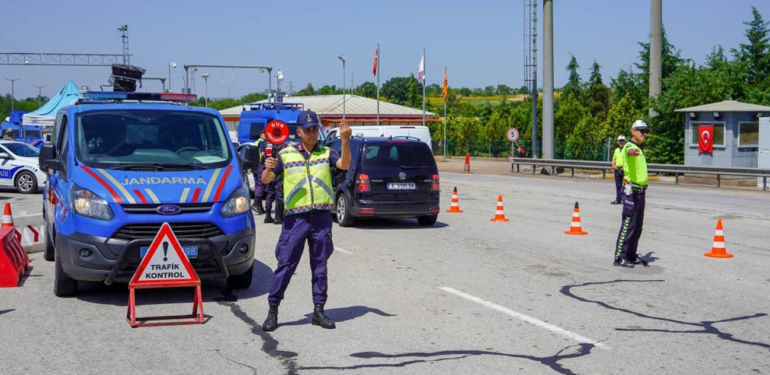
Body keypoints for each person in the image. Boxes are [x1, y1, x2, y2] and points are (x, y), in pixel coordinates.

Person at [260, 111, 351, 332]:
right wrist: (269, 167)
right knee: (286, 265)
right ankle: (273, 310)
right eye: (307, 130)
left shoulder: (326, 152)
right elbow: (265, 180)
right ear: (298, 132)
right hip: (295, 220)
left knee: (320, 266)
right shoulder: (286, 154)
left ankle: (318, 311)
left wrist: (346, 140)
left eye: (314, 129)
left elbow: (345, 164)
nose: (312, 133)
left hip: (321, 218)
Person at [614, 120, 649, 268]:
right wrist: (633, 152)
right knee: (628, 223)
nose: (644, 134)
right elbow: (628, 151)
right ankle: (620, 256)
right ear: (633, 131)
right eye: (641, 130)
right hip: (631, 191)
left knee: (638, 225)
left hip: (641, 191)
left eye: (646, 131)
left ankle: (631, 254)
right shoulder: (629, 146)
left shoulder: (639, 148)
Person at [252, 132, 267, 214]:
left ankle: (257, 205)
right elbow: (262, 153)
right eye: (265, 134)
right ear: (261, 135)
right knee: (260, 185)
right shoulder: (261, 143)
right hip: (260, 165)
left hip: (255, 166)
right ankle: (256, 204)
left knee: (257, 185)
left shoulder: (255, 142)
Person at [611, 135, 626, 205]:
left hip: (624, 170)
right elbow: (614, 158)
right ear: (618, 142)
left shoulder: (626, 149)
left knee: (626, 186)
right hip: (617, 169)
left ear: (624, 141)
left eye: (622, 140)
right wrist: (613, 165)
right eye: (620, 141)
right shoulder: (616, 150)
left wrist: (625, 167)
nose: (621, 142)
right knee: (618, 186)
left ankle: (625, 199)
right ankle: (618, 199)